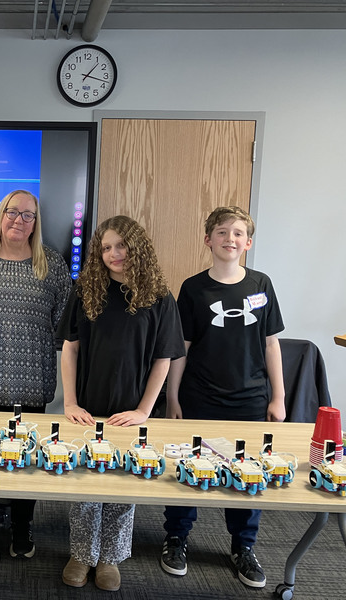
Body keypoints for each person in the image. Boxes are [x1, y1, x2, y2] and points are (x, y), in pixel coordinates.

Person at [161, 205, 286, 589]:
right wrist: (173, 397)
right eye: (221, 232)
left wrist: (278, 396)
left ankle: (243, 546)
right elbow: (180, 346)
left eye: (237, 233)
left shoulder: (261, 285)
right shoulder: (193, 289)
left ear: (247, 243)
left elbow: (271, 345)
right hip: (200, 395)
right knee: (188, 469)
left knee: (247, 474)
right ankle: (177, 538)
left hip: (249, 398)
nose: (229, 239)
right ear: (208, 240)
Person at [58, 216, 184, 591]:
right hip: (88, 408)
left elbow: (165, 357)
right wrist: (69, 402)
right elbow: (70, 348)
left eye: (122, 245)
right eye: (107, 246)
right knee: (84, 483)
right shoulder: (85, 290)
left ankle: (110, 557)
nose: (114, 253)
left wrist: (145, 410)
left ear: (137, 247)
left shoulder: (159, 296)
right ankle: (82, 553)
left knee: (123, 484)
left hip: (131, 410)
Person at [0, 189, 71, 558]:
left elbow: (62, 323)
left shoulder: (51, 264)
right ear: (0, 215)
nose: (19, 220)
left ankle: (23, 526)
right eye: (13, 212)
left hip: (31, 382)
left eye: (28, 215)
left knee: (26, 463)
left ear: (37, 223)